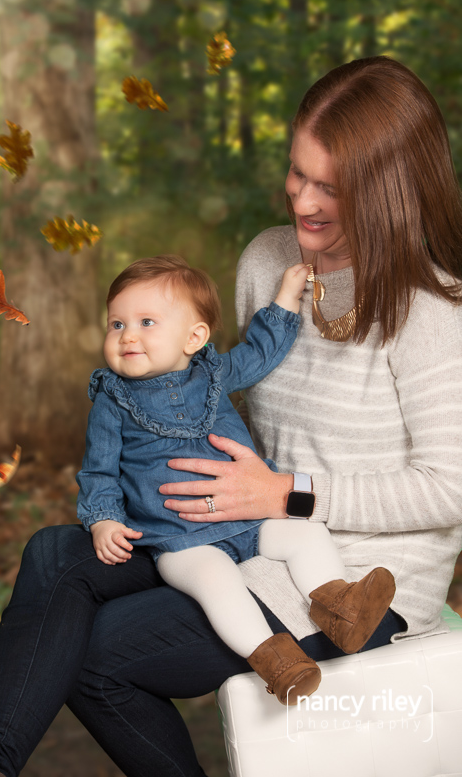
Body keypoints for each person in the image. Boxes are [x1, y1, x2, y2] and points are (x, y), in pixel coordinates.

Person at [0, 55, 462, 777]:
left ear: (388, 192)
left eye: (328, 188)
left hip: (354, 577)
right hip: (238, 529)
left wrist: (285, 493)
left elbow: (447, 489)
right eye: (295, 172)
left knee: (97, 654)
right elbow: (216, 393)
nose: (301, 201)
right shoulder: (265, 262)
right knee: (55, 557)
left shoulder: (436, 313)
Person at [78, 254, 396, 705]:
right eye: (116, 324)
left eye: (146, 322)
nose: (127, 335)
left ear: (195, 337)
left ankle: (338, 605)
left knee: (304, 533)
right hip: (183, 540)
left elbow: (259, 354)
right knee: (218, 583)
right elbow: (99, 470)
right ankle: (275, 660)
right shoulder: (113, 400)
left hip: (253, 518)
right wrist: (103, 520)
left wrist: (286, 300)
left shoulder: (212, 374)